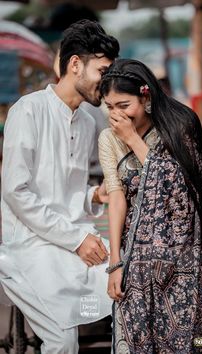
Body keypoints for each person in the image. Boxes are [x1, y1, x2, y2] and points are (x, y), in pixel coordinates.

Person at [0, 20, 119, 354]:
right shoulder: (29, 110)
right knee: (63, 340)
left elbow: (64, 197)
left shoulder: (85, 122)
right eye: (103, 71)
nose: (107, 82)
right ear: (75, 65)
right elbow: (16, 192)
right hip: (28, 248)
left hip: (70, 243)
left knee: (129, 288)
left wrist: (94, 195)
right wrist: (77, 239)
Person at [98, 59, 202, 353]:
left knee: (191, 341)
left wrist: (133, 140)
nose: (116, 115)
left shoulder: (179, 126)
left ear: (145, 97)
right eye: (109, 107)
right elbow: (117, 196)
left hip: (186, 256)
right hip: (138, 258)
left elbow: (181, 195)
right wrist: (115, 263)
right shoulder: (108, 139)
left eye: (124, 105)